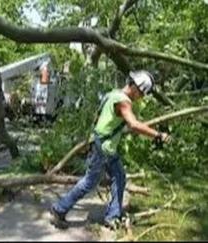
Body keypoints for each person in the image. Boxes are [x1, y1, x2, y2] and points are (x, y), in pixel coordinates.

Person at [50, 70, 172, 230]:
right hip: (103, 149)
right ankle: (59, 208)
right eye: (142, 94)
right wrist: (157, 135)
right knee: (89, 183)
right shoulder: (124, 101)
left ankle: (113, 216)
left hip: (105, 146)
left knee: (119, 177)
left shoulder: (113, 94)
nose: (141, 98)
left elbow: (98, 117)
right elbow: (133, 124)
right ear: (135, 87)